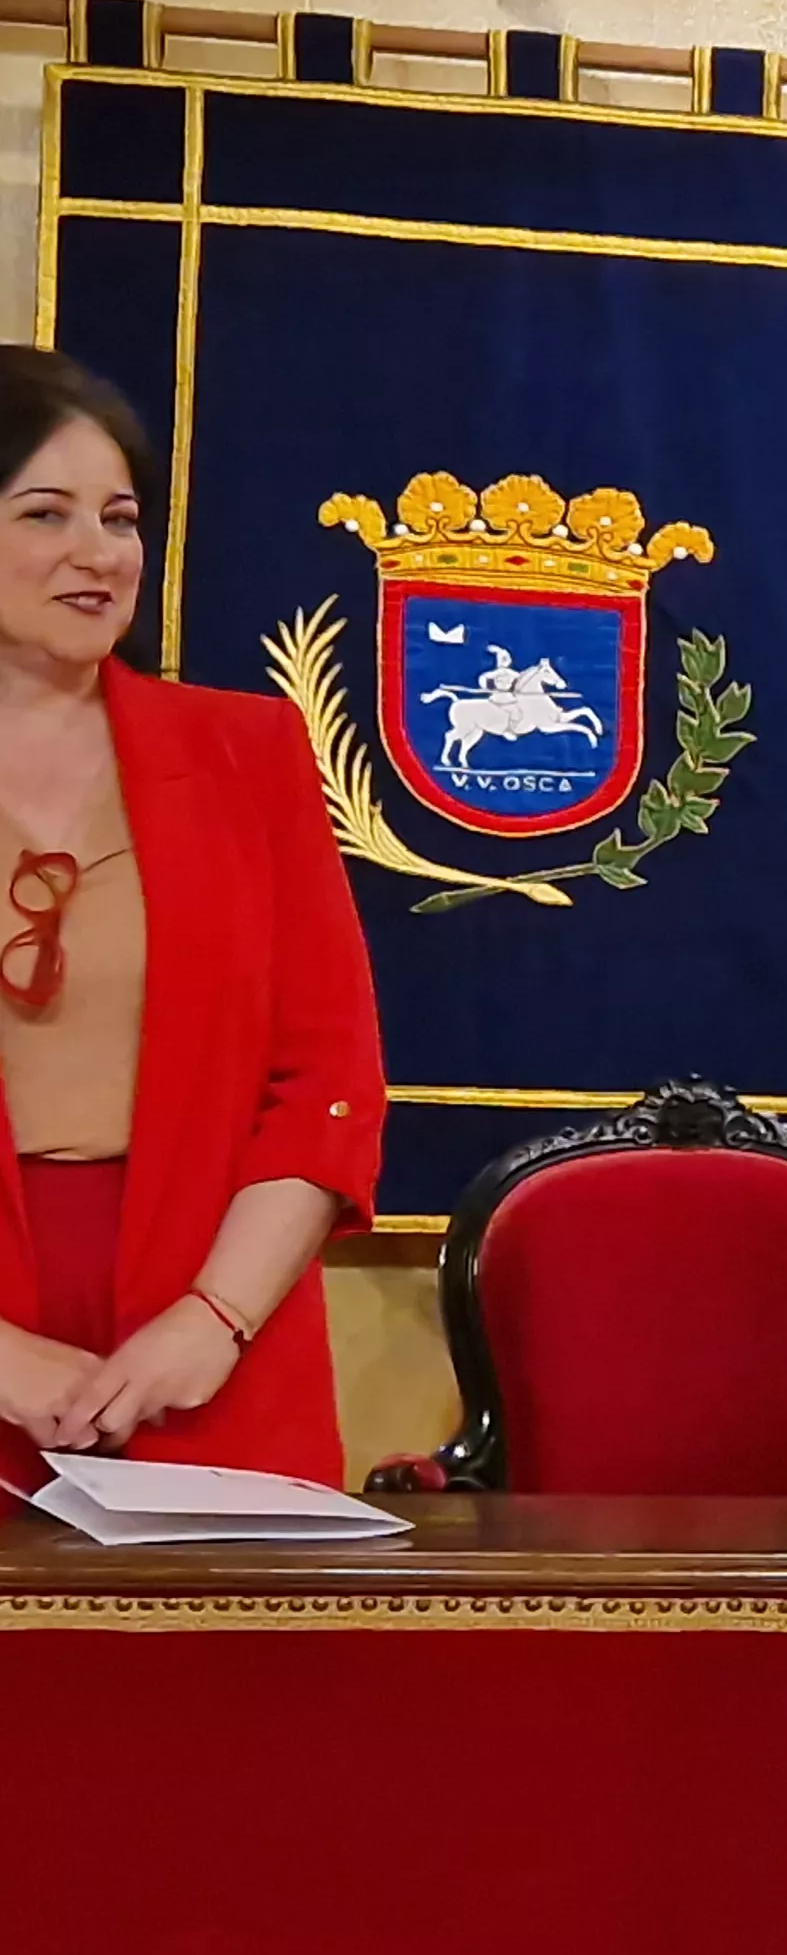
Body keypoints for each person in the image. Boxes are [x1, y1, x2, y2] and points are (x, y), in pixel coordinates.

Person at [0, 346, 383, 1485]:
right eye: (46, 512)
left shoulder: (247, 752)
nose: (100, 553)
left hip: (209, 1339)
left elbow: (327, 1076)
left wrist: (210, 1322)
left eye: (120, 518)